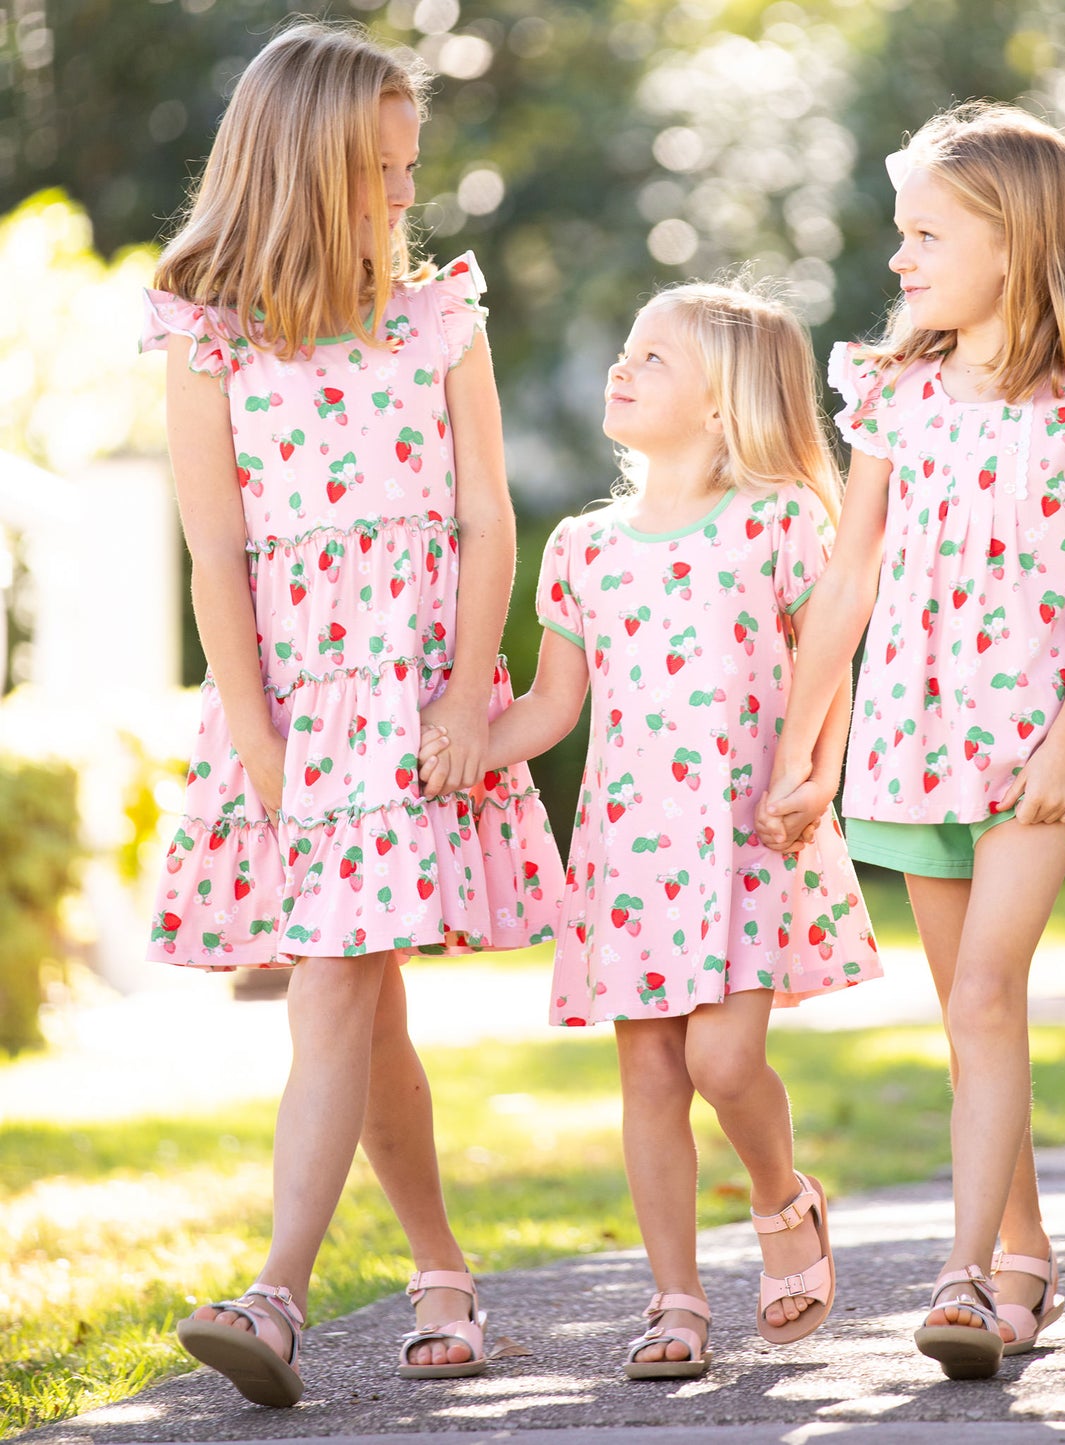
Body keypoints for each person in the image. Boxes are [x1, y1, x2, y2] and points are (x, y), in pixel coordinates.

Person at [139, 21, 563, 1406]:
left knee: (336, 981)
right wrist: (257, 739)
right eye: (381, 169)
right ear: (305, 170)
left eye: (409, 166)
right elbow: (214, 553)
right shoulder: (205, 336)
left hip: (415, 697)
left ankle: (276, 1295)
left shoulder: (436, 315)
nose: (403, 192)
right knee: (361, 1005)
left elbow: (487, 516)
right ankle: (441, 1272)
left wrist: (463, 696)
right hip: (295, 710)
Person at [757, 101, 1065, 1381]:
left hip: (1035, 743)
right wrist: (802, 748)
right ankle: (1024, 1254)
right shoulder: (893, 393)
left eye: (925, 234)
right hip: (913, 729)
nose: (898, 257)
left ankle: (963, 1277)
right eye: (902, 234)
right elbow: (847, 579)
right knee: (968, 1016)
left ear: (1014, 240)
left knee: (986, 995)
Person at [424, 280, 882, 1379]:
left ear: (722, 403)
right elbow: (551, 707)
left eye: (651, 358)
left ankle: (783, 1201)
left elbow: (826, 663)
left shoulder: (778, 521)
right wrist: (453, 746)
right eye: (624, 352)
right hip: (630, 852)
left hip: (744, 840)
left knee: (723, 1059)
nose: (620, 369)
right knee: (649, 1077)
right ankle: (674, 1298)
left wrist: (817, 773)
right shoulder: (582, 546)